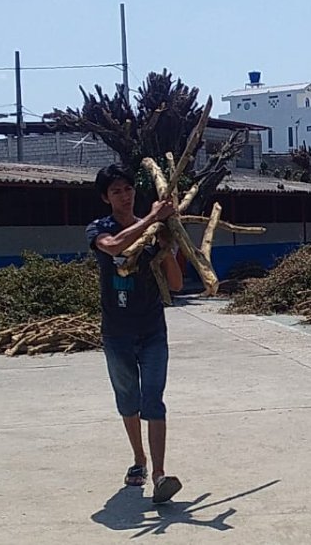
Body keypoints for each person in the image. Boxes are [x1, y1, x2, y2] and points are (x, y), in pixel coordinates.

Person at [86, 164, 185, 504]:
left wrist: (167, 245)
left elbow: (175, 284)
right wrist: (150, 220)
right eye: (116, 191)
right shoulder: (100, 228)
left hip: (152, 330)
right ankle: (138, 461)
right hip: (117, 333)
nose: (124, 196)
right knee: (127, 400)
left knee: (153, 400)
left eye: (128, 189)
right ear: (106, 197)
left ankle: (159, 474)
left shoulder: (155, 233)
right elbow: (113, 247)